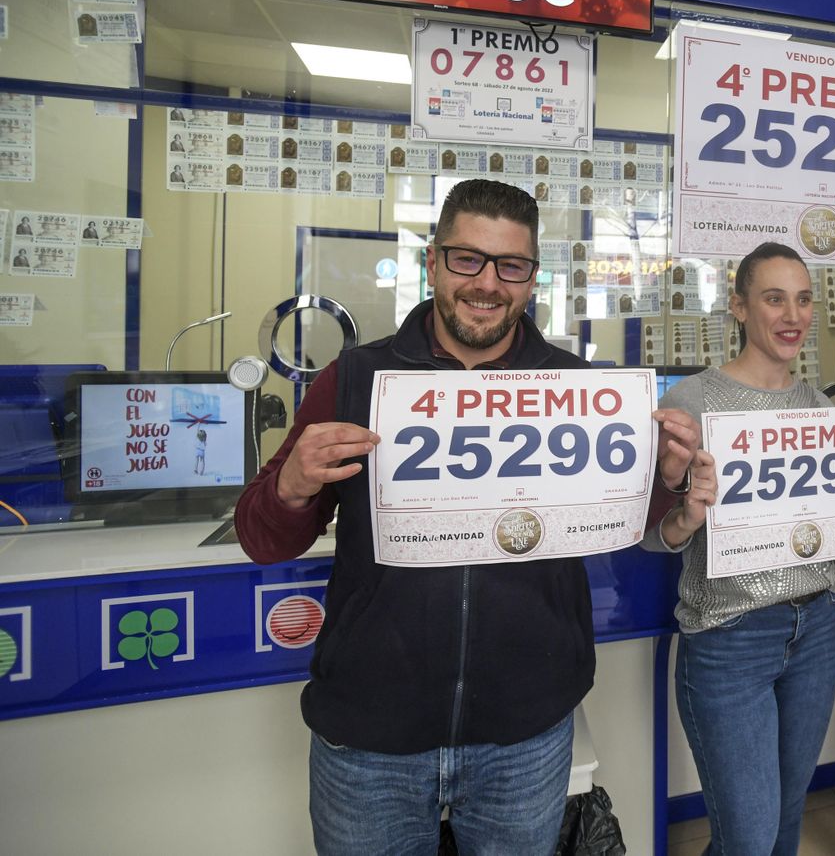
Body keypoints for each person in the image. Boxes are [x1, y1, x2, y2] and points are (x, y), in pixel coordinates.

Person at [234, 179, 703, 856]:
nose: (487, 283)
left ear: (532, 278)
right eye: (467, 259)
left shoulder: (579, 390)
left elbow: (624, 525)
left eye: (511, 266)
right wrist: (292, 485)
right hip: (372, 736)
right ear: (433, 263)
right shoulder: (356, 379)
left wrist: (663, 478)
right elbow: (260, 535)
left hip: (525, 734)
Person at [645, 242, 835, 856]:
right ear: (739, 307)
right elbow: (654, 536)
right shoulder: (691, 404)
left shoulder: (823, 410)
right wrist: (686, 509)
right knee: (750, 837)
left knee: (786, 816)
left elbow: (832, 527)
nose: (792, 314)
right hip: (729, 636)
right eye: (773, 298)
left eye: (802, 298)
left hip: (818, 627)